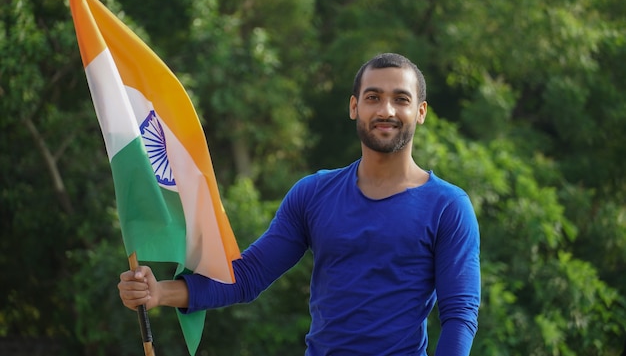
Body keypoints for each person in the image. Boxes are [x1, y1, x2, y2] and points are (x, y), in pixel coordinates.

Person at [118, 52, 481, 355]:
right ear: (355, 107)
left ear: (420, 111)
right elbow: (247, 276)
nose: (385, 109)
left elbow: (459, 316)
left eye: (401, 99)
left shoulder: (448, 206)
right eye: (373, 97)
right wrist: (159, 292)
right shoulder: (313, 194)